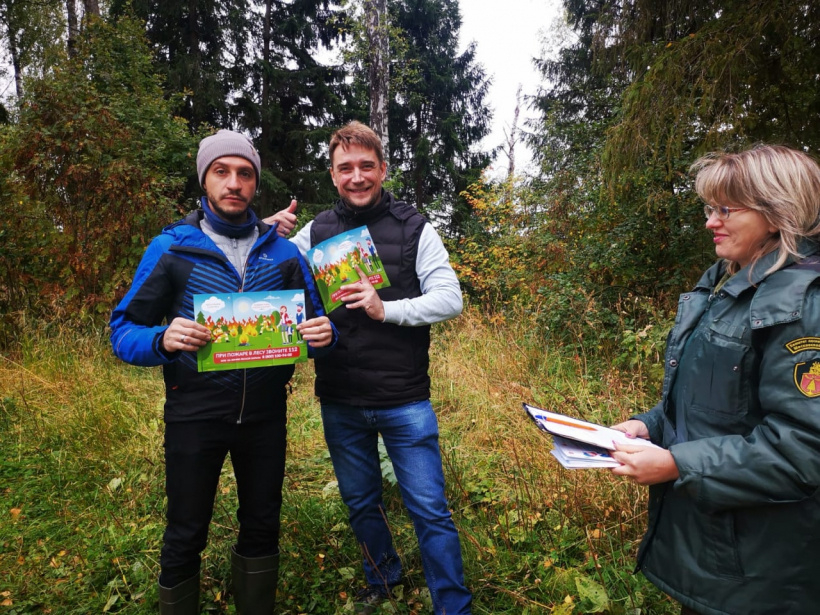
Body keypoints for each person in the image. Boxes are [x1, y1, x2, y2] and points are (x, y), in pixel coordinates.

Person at [109, 130, 336, 614]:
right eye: (222, 172)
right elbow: (121, 329)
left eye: (245, 174)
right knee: (186, 530)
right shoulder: (172, 249)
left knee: (262, 524)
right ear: (205, 179)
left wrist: (325, 337)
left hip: (265, 418)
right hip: (194, 414)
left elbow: (316, 324)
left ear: (255, 184)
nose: (234, 183)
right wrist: (160, 339)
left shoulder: (284, 254)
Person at [269, 121, 472, 614]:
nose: (356, 177)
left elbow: (451, 298)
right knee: (361, 503)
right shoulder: (314, 232)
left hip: (405, 400)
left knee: (429, 510)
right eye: (345, 168)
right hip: (340, 398)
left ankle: (453, 604)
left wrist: (388, 309)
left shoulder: (415, 228)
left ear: (382, 168)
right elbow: (271, 285)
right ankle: (382, 580)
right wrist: (266, 237)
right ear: (333, 175)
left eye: (366, 166)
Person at [610, 144, 820, 615]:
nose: (710, 221)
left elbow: (803, 449)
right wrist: (649, 426)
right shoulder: (727, 284)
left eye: (726, 209)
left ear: (776, 211)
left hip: (766, 570)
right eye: (710, 208)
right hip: (719, 551)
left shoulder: (803, 305)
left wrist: (677, 465)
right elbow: (711, 405)